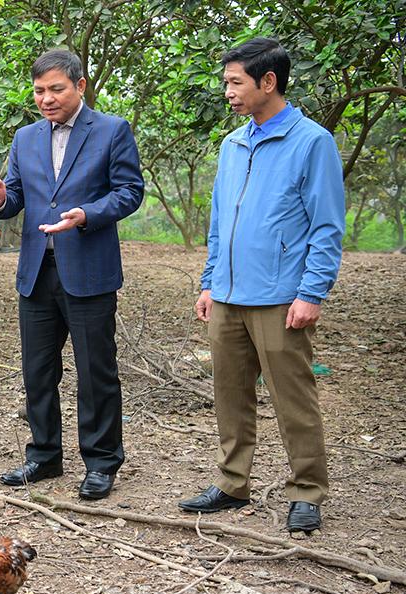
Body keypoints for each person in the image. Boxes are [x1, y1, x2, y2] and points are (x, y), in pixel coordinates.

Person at [178, 38, 344, 534]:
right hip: (227, 296)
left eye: (235, 82)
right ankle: (233, 482)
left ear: (267, 82)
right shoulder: (233, 144)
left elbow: (327, 226)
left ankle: (308, 490)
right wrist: (209, 282)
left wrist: (311, 293)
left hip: (280, 299)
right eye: (226, 82)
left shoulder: (312, 142)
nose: (227, 91)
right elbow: (219, 222)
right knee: (230, 395)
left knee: (294, 398)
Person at [0, 49, 144, 499]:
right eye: (39, 91)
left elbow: (130, 192)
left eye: (56, 89)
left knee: (96, 371)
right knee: (37, 371)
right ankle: (44, 455)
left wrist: (86, 214)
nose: (46, 99)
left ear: (80, 87)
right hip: (37, 272)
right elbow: (15, 198)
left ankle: (102, 461)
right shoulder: (26, 138)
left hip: (88, 270)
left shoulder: (111, 131)